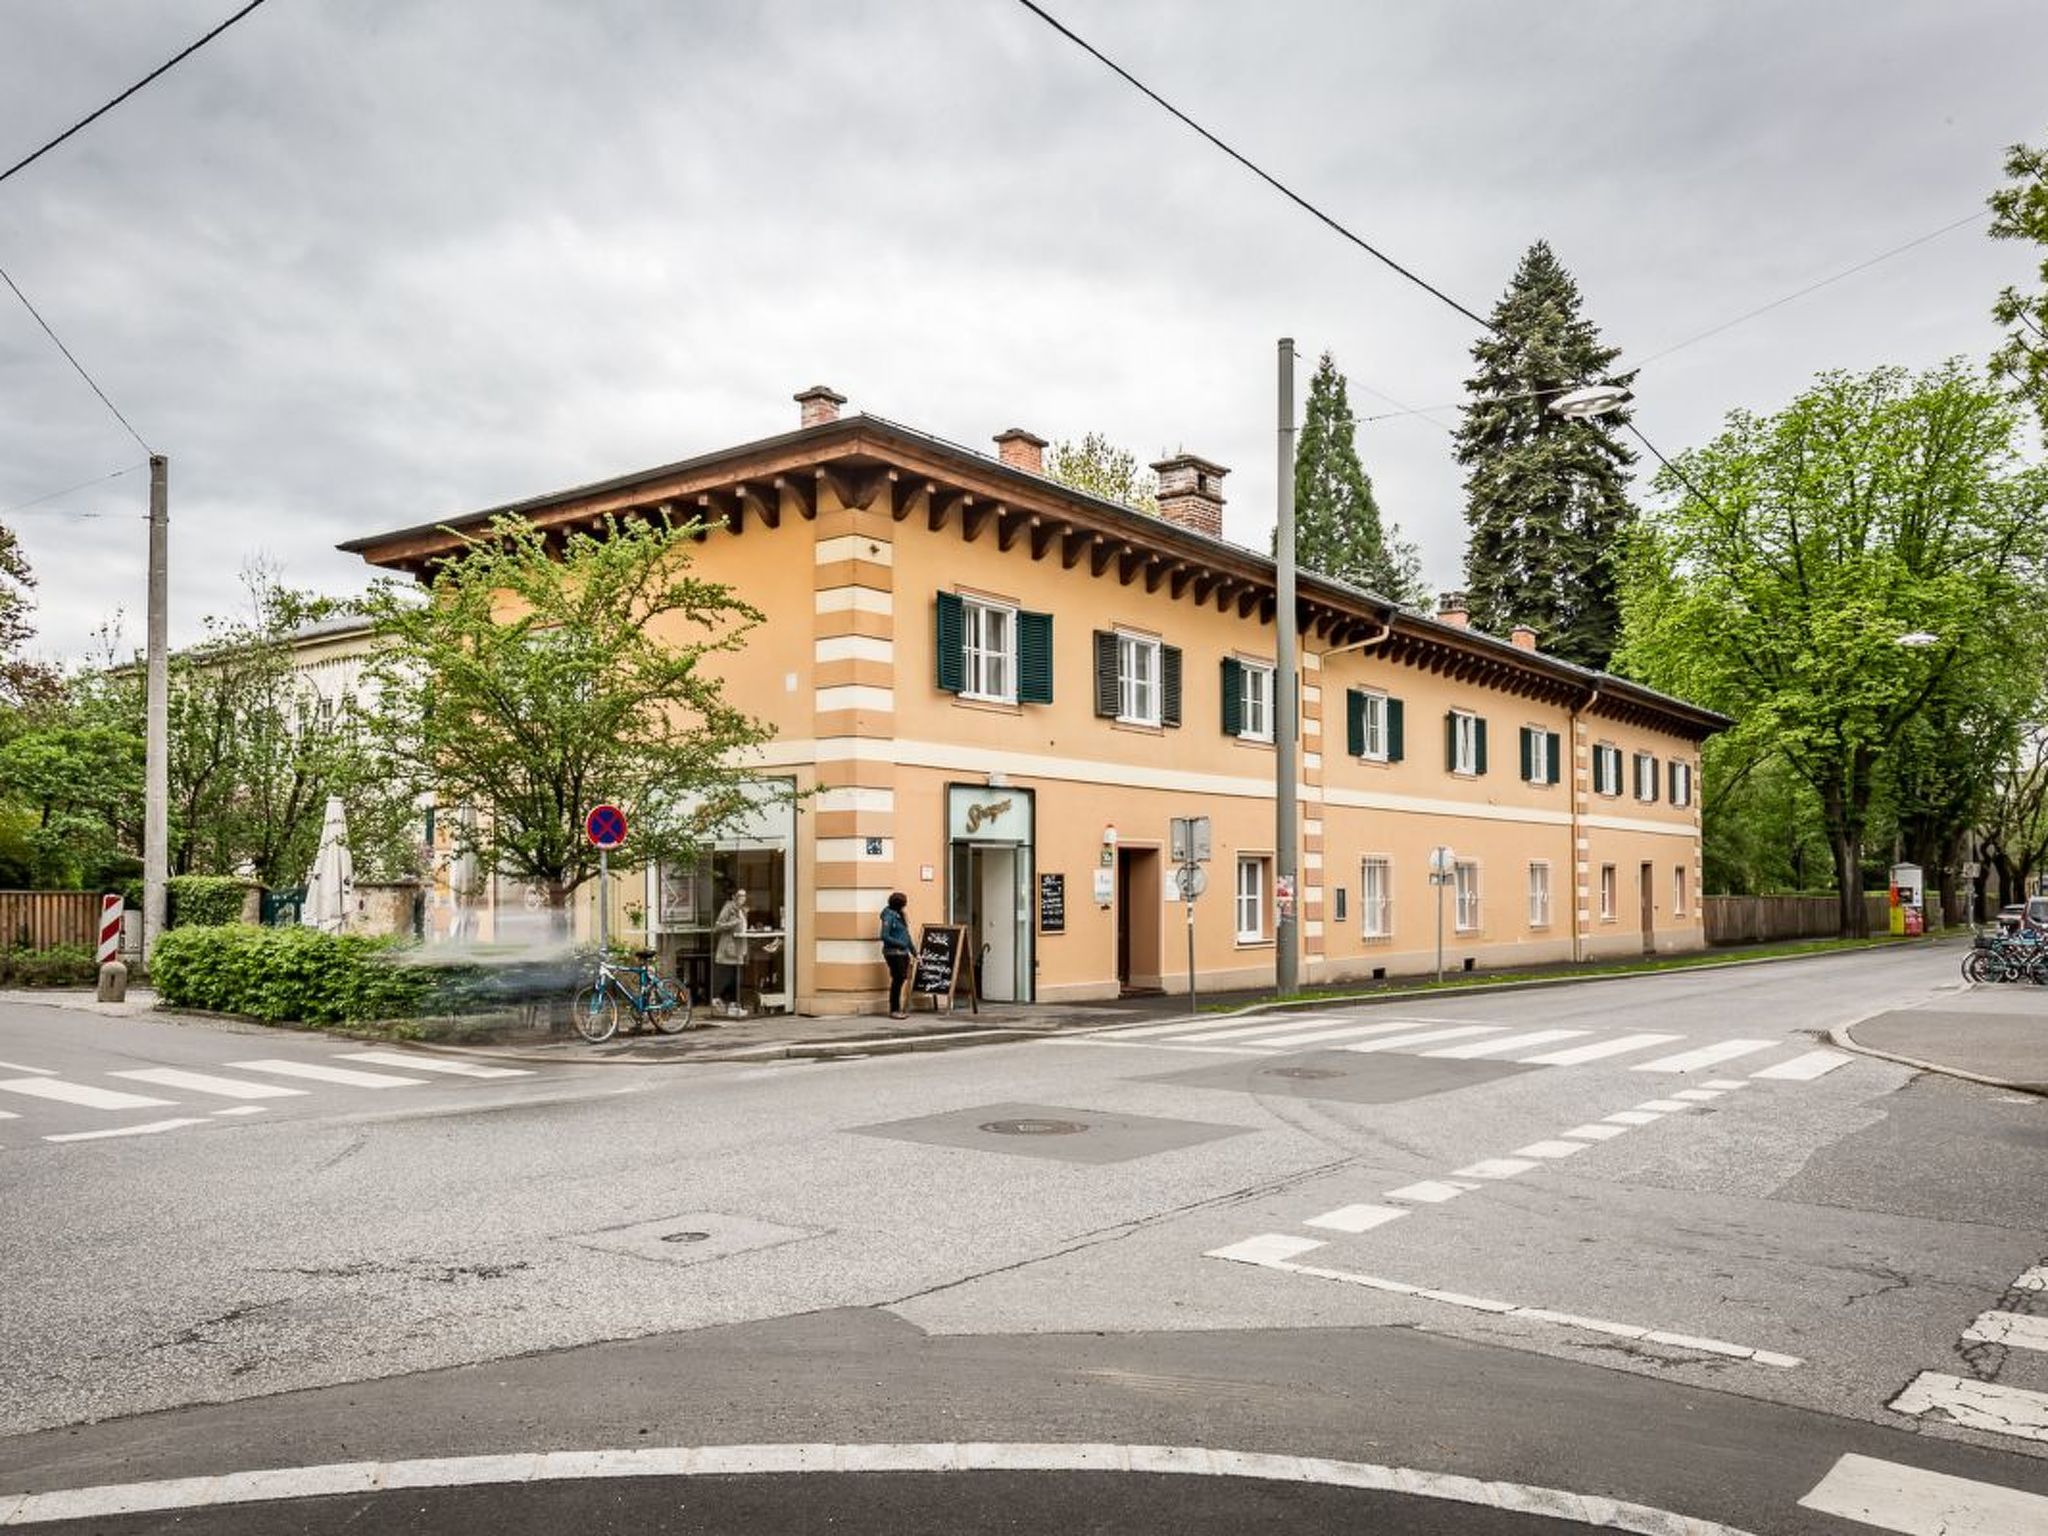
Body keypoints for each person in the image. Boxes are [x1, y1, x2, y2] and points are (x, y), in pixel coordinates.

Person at [713, 887, 749, 1018]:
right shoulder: (729, 908)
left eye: (745, 896)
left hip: (739, 948)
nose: (743, 898)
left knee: (736, 977)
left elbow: (742, 927)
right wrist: (735, 922)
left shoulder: (742, 910)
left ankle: (733, 1005)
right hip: (729, 949)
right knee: (728, 977)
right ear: (734, 896)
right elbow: (718, 925)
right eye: (740, 895)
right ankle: (721, 1001)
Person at [879, 891, 913, 1019]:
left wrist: (915, 952)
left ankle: (896, 1009)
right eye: (904, 903)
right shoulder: (888, 916)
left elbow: (907, 936)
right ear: (900, 904)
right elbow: (884, 936)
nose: (905, 906)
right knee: (898, 979)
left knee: (901, 978)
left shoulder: (900, 915)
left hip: (903, 953)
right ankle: (894, 1009)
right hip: (893, 953)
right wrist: (901, 944)